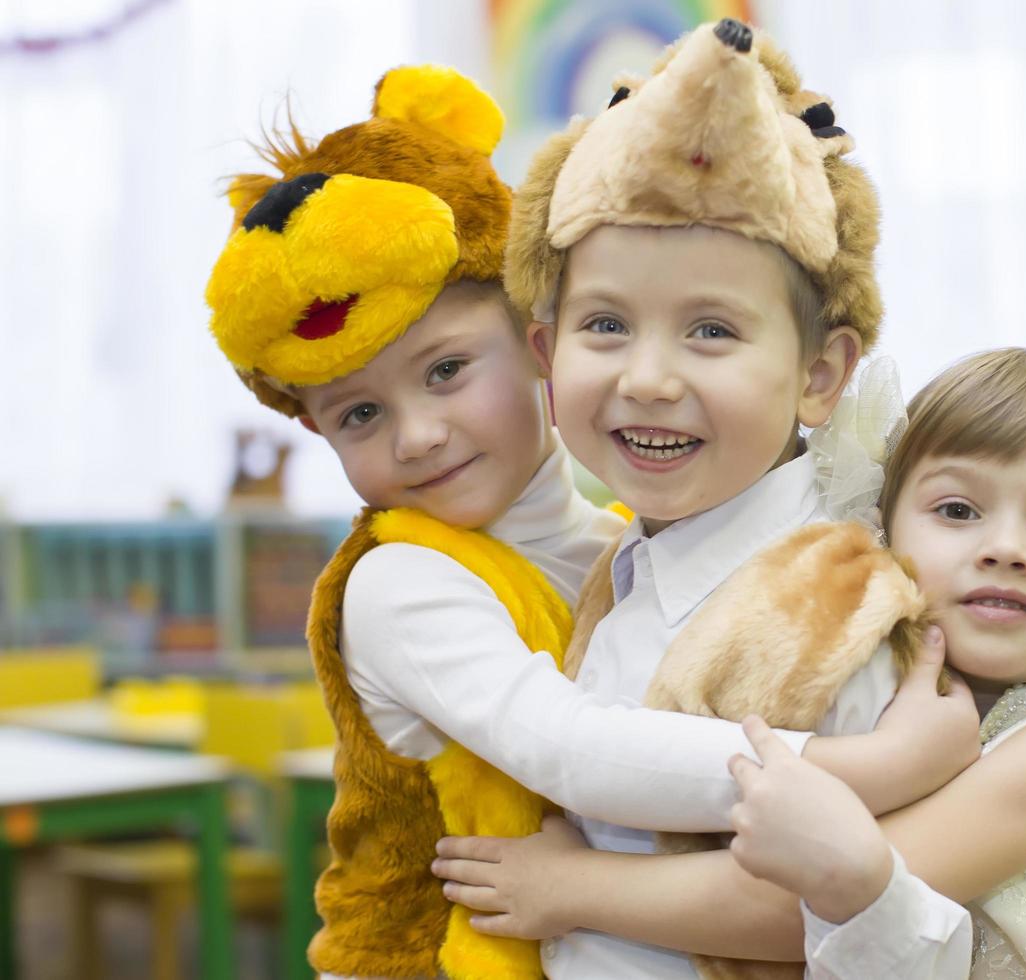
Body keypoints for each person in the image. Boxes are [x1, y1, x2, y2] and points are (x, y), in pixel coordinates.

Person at [203, 62, 974, 980]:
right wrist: (875, 768)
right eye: (358, 415)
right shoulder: (398, 576)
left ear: (534, 342)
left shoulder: (625, 545)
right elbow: (574, 750)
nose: (417, 435)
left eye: (447, 371)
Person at [435, 349, 1026, 980]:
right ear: (883, 540)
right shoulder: (904, 694)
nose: (1006, 547)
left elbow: (813, 899)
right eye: (959, 511)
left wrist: (569, 890)